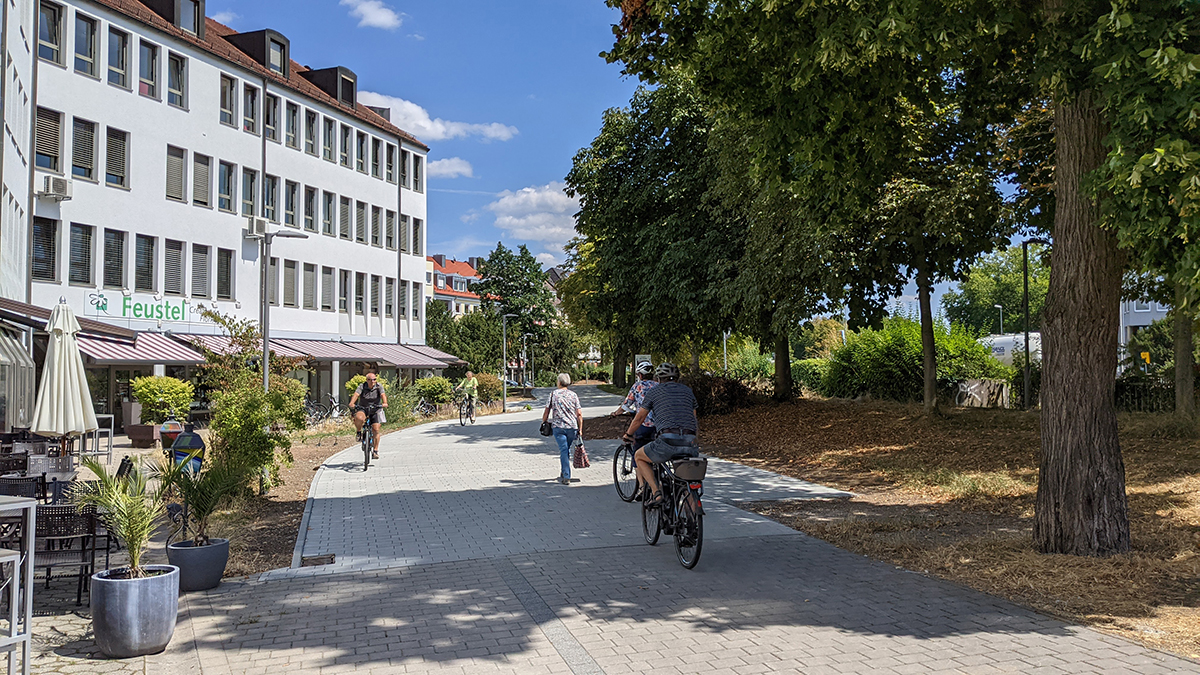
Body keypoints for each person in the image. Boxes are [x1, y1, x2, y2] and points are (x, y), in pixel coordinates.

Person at [621, 362, 698, 505]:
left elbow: (639, 418)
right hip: (690, 441)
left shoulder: (654, 392)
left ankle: (656, 492)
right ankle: (693, 520)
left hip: (667, 441)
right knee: (686, 482)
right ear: (677, 377)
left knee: (639, 456)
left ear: (659, 377)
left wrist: (628, 434)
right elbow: (693, 419)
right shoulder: (688, 391)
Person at [542, 373, 583, 485]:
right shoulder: (573, 395)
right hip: (572, 427)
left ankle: (566, 475)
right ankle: (564, 471)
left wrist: (544, 420)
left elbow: (547, 410)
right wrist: (580, 428)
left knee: (564, 450)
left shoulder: (553, 394)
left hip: (558, 427)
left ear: (559, 382)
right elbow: (579, 413)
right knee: (566, 448)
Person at [610, 361, 656, 450]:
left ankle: (637, 463)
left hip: (644, 424)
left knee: (638, 449)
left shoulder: (637, 386)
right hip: (659, 425)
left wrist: (616, 413)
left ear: (641, 375)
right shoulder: (658, 386)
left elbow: (626, 405)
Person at [349, 372, 388, 459]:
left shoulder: (379, 386)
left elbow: (383, 395)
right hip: (363, 408)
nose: (373, 381)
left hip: (376, 408)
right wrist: (352, 403)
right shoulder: (362, 386)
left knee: (376, 429)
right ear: (367, 380)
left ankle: (375, 451)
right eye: (370, 380)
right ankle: (359, 431)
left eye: (374, 379)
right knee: (359, 418)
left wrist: (384, 403)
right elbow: (356, 394)